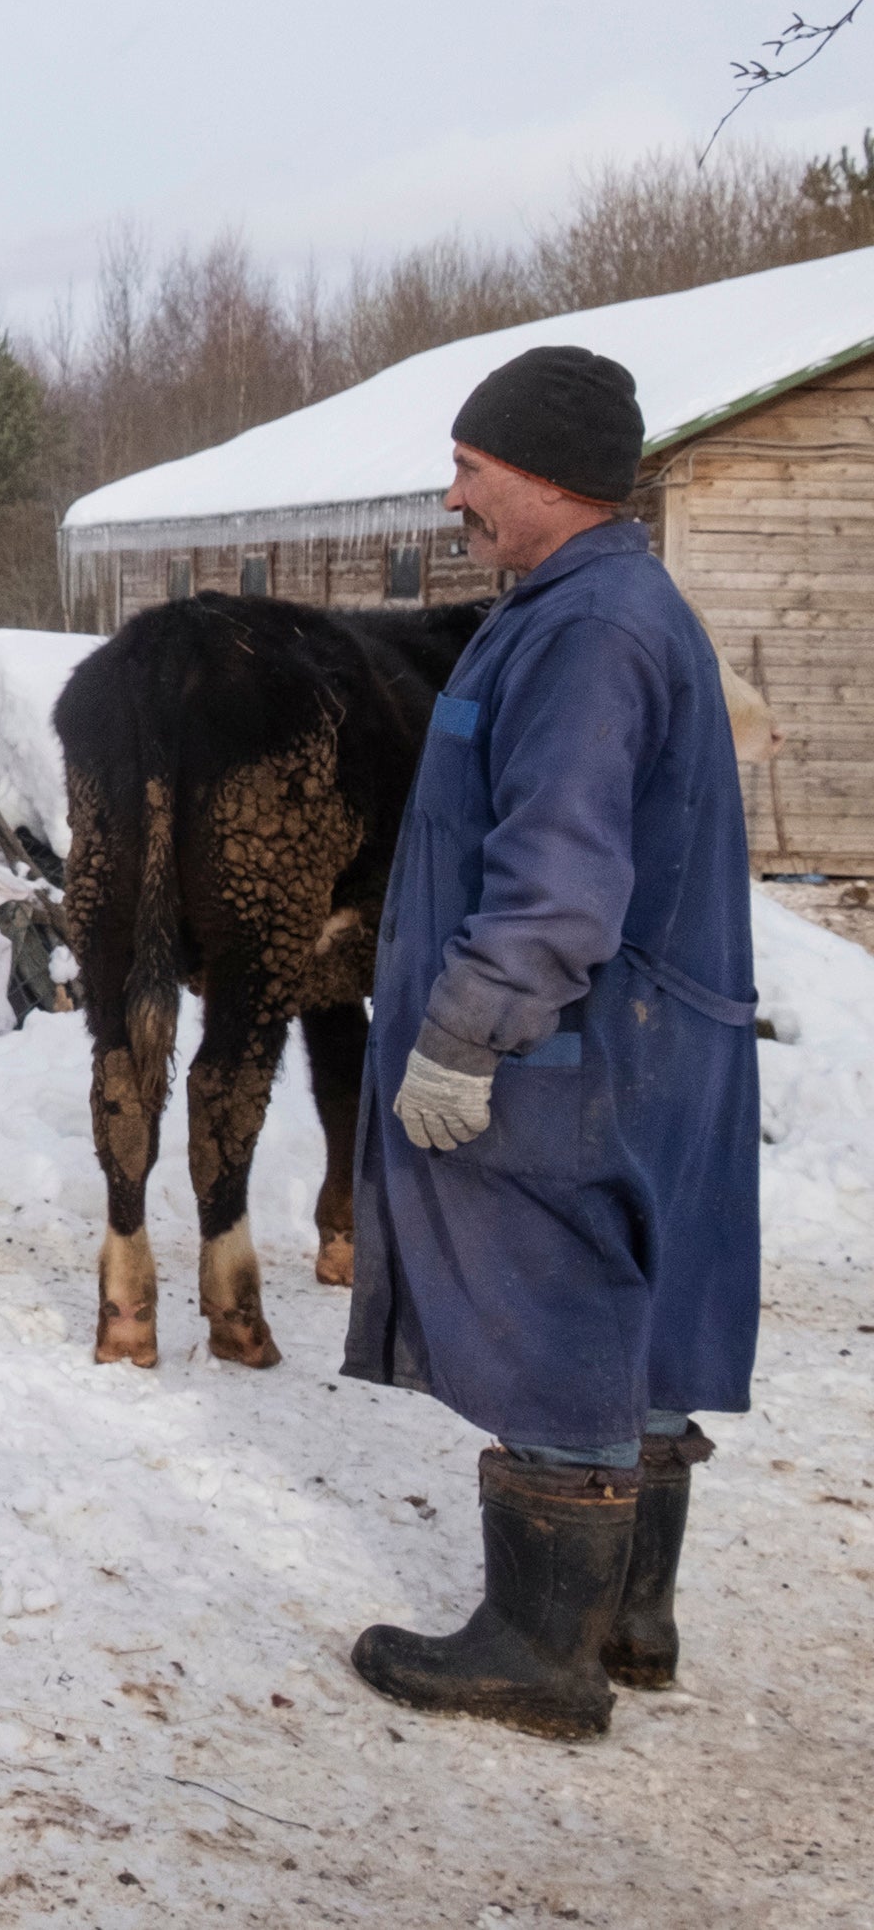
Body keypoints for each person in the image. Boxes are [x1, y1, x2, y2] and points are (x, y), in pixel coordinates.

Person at [343, 342, 763, 1740]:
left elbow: (557, 878)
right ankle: (628, 1621)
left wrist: (464, 1032)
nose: (455, 495)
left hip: (571, 1041)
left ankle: (539, 1649)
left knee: (558, 1305)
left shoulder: (587, 631)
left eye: (471, 468)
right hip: (643, 1030)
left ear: (540, 477)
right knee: (631, 1306)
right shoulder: (609, 605)